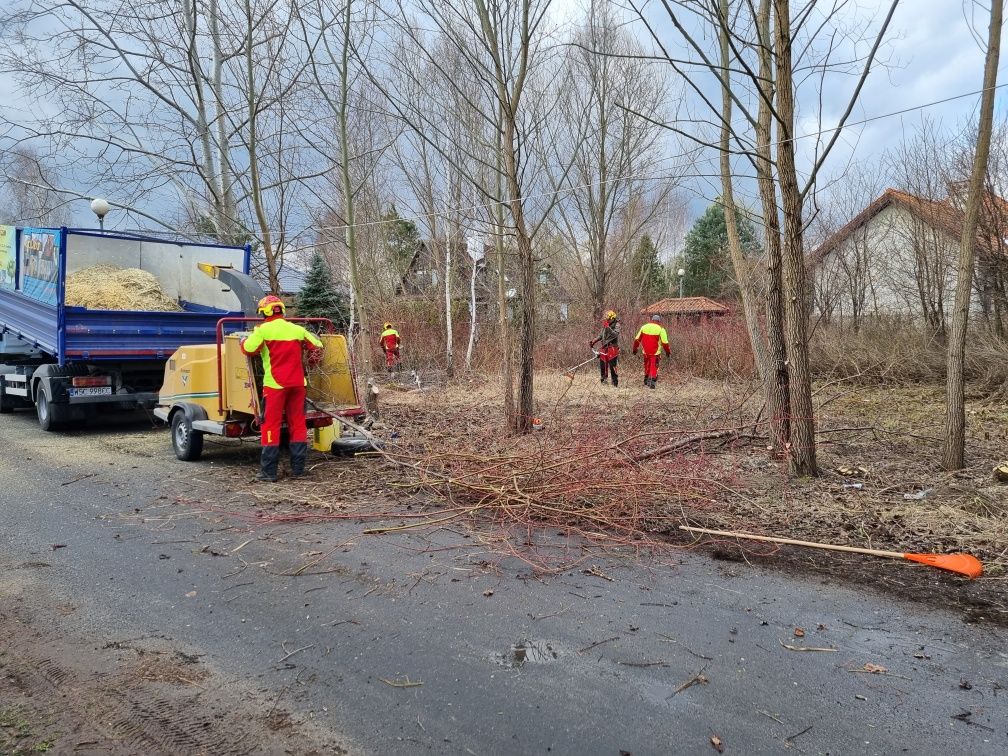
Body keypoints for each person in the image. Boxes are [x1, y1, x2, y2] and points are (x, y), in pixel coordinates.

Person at [241, 295, 323, 482]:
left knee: (271, 425)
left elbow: (248, 349)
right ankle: (298, 470)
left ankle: (269, 472)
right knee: (298, 425)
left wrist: (242, 342)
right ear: (282, 310)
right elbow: (318, 346)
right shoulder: (297, 329)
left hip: (275, 386)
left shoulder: (262, 330)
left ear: (264, 313)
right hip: (298, 384)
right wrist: (311, 361)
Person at [632, 314, 671, 389]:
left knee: (647, 365)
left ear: (651, 320)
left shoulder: (644, 327)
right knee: (654, 366)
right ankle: (652, 381)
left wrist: (635, 349)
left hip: (645, 352)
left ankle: (646, 380)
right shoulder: (661, 329)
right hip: (655, 352)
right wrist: (668, 352)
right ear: (659, 321)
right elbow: (665, 342)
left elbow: (637, 339)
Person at [589, 310, 621, 387]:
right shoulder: (606, 324)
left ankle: (615, 382)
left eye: (609, 319)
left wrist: (608, 327)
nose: (607, 320)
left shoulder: (617, 325)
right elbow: (601, 335)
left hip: (612, 347)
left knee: (612, 365)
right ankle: (604, 380)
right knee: (603, 364)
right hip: (604, 347)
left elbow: (615, 335)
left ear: (613, 318)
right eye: (606, 319)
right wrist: (594, 341)